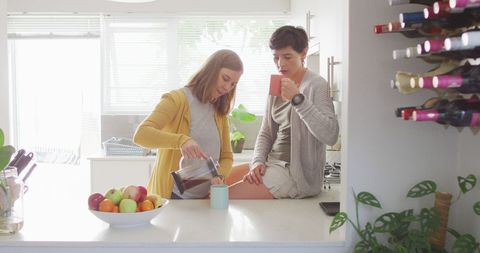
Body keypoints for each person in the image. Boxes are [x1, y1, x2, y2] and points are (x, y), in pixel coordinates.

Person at [227, 25, 339, 199]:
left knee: (222, 197)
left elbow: (330, 135)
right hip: (271, 164)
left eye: (287, 57)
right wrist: (257, 161)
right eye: (276, 57)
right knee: (214, 184)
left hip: (294, 174)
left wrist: (297, 99)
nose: (280, 64)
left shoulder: (317, 85)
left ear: (303, 53)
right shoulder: (277, 84)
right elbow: (266, 132)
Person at [133, 49, 243, 199]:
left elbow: (227, 157)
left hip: (206, 200)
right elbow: (141, 135)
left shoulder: (219, 111)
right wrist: (181, 140)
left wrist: (220, 176)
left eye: (233, 84)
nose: (227, 88)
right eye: (225, 78)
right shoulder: (176, 100)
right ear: (211, 71)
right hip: (174, 197)